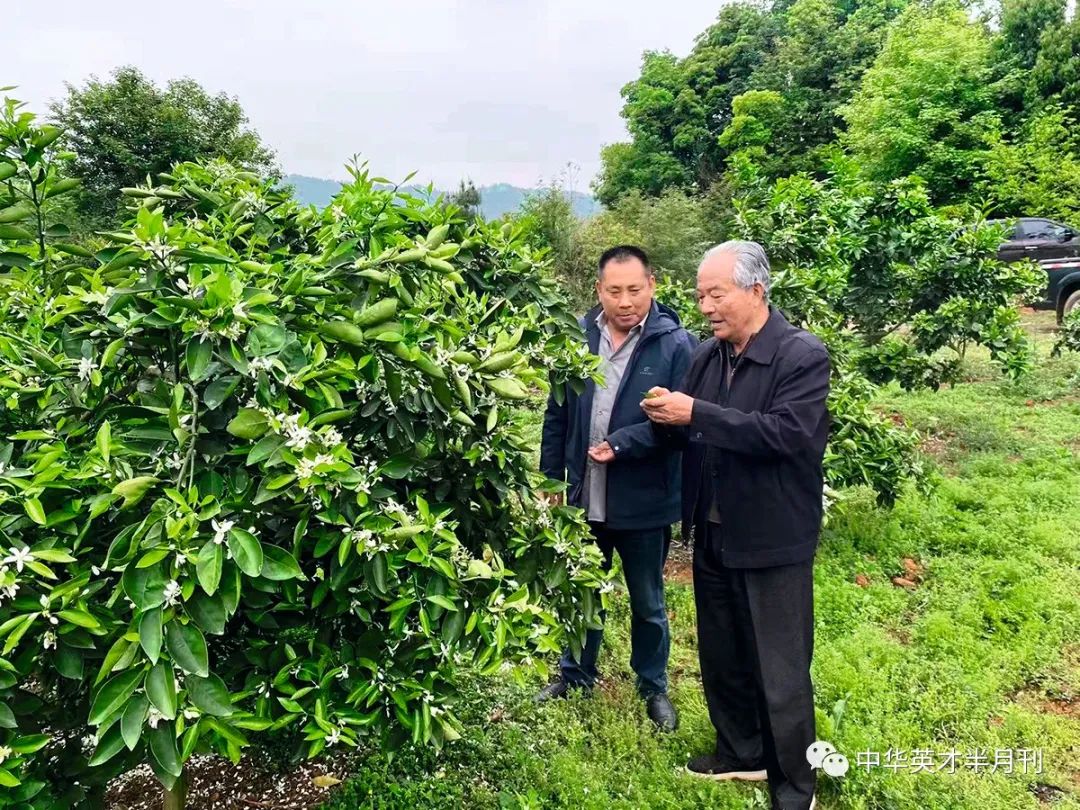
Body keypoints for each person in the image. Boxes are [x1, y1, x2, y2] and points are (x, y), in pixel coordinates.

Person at [641, 241, 830, 810]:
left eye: (715, 294)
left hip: (772, 536)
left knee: (780, 665)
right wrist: (664, 417)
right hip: (715, 530)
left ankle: (796, 787)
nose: (705, 306)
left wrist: (695, 412)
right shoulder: (708, 356)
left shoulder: (800, 356)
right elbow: (692, 432)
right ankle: (740, 751)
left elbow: (784, 435)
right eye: (700, 295)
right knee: (722, 652)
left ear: (755, 290)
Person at [537, 245, 696, 732]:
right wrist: (550, 479)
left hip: (644, 498)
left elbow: (683, 424)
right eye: (614, 290)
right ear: (598, 291)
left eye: (634, 289)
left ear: (653, 286)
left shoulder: (676, 346)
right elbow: (557, 413)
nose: (625, 300)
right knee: (583, 589)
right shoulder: (577, 340)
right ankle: (576, 673)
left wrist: (622, 444)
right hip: (586, 494)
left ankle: (653, 685)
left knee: (647, 599)